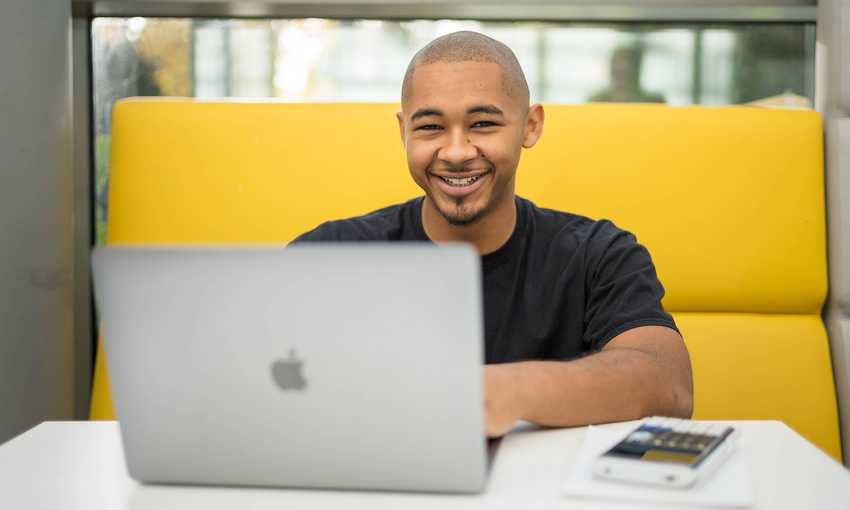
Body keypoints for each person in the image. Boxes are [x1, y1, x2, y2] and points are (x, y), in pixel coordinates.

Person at [292, 31, 693, 437]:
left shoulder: (600, 254)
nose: (456, 152)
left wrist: (499, 392)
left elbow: (669, 385)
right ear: (404, 132)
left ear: (530, 126)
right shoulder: (330, 253)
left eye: (482, 123)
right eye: (430, 127)